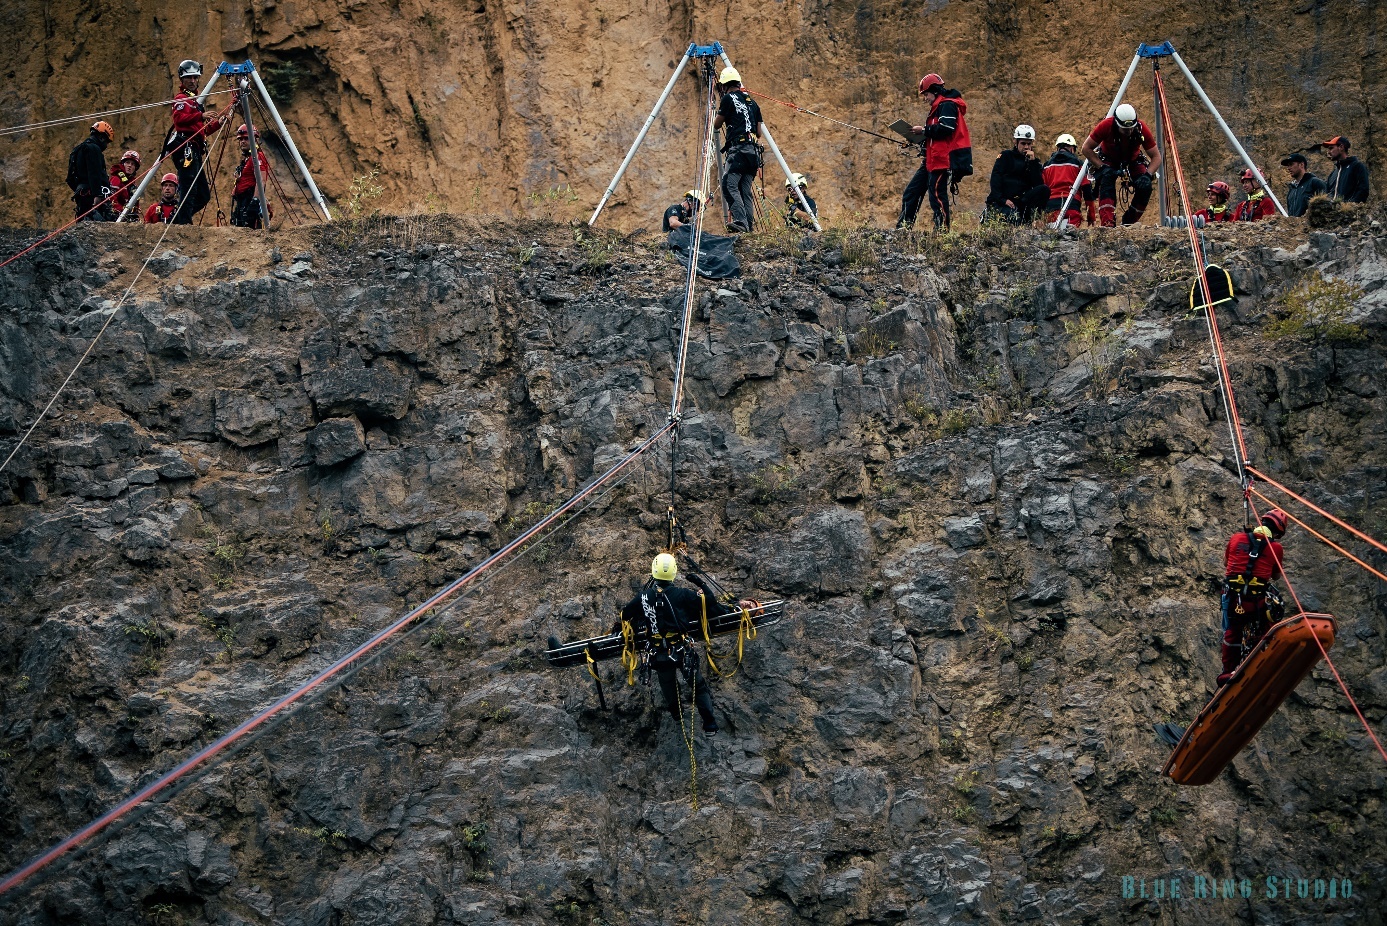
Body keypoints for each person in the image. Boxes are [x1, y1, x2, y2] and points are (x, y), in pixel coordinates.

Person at [617, 553, 749, 735]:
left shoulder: (643, 597)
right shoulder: (683, 595)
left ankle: (678, 718)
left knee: (668, 687)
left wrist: (643, 616)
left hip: (658, 654)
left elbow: (625, 615)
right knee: (698, 686)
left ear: (653, 571)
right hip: (681, 650)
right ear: (674, 572)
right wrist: (700, 583)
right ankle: (709, 724)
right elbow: (709, 602)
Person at [1218, 509, 1289, 686]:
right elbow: (1276, 577)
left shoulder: (1236, 538)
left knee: (1232, 632)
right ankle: (1263, 657)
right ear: (1277, 532)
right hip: (1256, 604)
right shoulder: (1276, 548)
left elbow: (1226, 563)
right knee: (1268, 625)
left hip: (1234, 600)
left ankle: (1227, 672)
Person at [897, 73, 971, 231]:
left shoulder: (947, 105)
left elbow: (947, 128)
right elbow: (936, 135)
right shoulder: (939, 107)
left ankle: (942, 233)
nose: (925, 99)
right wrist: (918, 139)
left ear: (935, 91)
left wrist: (923, 130)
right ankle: (903, 229)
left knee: (937, 197)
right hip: (931, 160)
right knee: (911, 193)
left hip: (941, 161)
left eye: (926, 95)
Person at [1080, 103, 1163, 227]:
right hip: (1108, 158)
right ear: (1117, 124)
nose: (1129, 131)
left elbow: (1156, 157)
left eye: (1131, 128)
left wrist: (1147, 175)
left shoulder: (1141, 128)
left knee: (1145, 186)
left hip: (1133, 159)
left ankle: (1130, 221)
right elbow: (1086, 148)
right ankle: (1107, 223)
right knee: (1106, 181)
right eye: (1124, 129)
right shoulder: (1106, 126)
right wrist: (1101, 167)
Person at [168, 59, 224, 224]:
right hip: (186, 148)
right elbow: (179, 120)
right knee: (189, 189)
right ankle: (183, 223)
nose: (193, 81)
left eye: (195, 78)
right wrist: (200, 115)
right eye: (189, 78)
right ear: (182, 80)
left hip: (195, 149)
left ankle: (178, 220)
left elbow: (202, 130)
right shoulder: (181, 99)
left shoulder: (195, 102)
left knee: (203, 195)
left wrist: (218, 123)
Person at [712, 67, 763, 233]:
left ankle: (741, 222)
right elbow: (759, 132)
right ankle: (748, 226)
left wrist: (721, 113)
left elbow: (717, 124)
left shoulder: (728, 99)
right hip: (753, 153)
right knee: (745, 190)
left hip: (738, 150)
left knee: (729, 185)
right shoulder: (753, 102)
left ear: (724, 85)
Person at [985, 124, 1050, 224]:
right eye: (1023, 143)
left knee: (1044, 190)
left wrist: (1032, 163)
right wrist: (1003, 200)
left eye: (1029, 144)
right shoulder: (1006, 156)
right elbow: (995, 180)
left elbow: (1038, 184)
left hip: (1021, 201)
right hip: (1004, 201)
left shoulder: (1034, 162)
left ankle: (1034, 219)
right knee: (1013, 220)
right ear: (1016, 142)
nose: (1026, 147)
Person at [1042, 133, 1096, 227]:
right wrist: (1091, 214)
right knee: (1070, 238)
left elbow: (1041, 188)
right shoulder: (1079, 164)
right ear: (1072, 149)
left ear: (1058, 148)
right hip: (1071, 207)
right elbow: (1087, 189)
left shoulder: (1046, 166)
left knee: (1052, 239)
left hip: (1051, 209)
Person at [67, 121, 114, 221]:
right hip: (91, 196)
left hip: (81, 194)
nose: (106, 145)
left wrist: (79, 189)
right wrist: (97, 195)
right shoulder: (94, 149)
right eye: (106, 141)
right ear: (102, 137)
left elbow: (70, 178)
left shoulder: (77, 150)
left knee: (83, 223)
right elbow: (94, 173)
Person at [230, 124, 273, 229]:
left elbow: (261, 180)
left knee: (250, 231)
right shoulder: (247, 159)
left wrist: (255, 201)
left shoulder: (257, 156)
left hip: (249, 201)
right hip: (242, 201)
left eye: (246, 138)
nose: (242, 141)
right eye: (240, 139)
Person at [1321, 135, 1369, 203]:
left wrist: (1352, 206)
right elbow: (1328, 194)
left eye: (1331, 148)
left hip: (1350, 212)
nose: (1328, 152)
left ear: (1341, 147)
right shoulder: (1333, 174)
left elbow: (1363, 189)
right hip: (1332, 213)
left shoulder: (1357, 166)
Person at [1281, 153, 1326, 217]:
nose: (1288, 168)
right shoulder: (1292, 189)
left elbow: (1326, 208)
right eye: (1288, 165)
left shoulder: (1315, 183)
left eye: (1291, 164)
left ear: (1301, 165)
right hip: (1295, 226)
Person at [109, 150, 141, 216]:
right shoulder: (116, 179)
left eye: (133, 164)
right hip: (115, 216)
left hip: (127, 216)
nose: (130, 165)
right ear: (123, 164)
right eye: (127, 162)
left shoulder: (132, 184)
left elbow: (136, 204)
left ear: (135, 168)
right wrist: (123, 212)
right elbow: (111, 199)